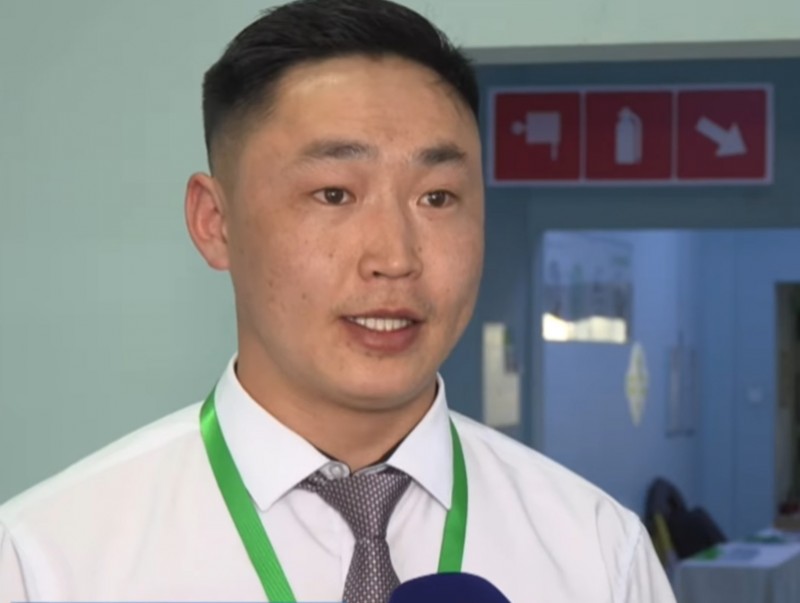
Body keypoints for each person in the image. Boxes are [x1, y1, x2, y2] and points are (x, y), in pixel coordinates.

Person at [0, 0, 677, 601]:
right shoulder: (46, 561)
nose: (395, 257)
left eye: (437, 197)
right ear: (215, 222)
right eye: (334, 194)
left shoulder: (597, 554)